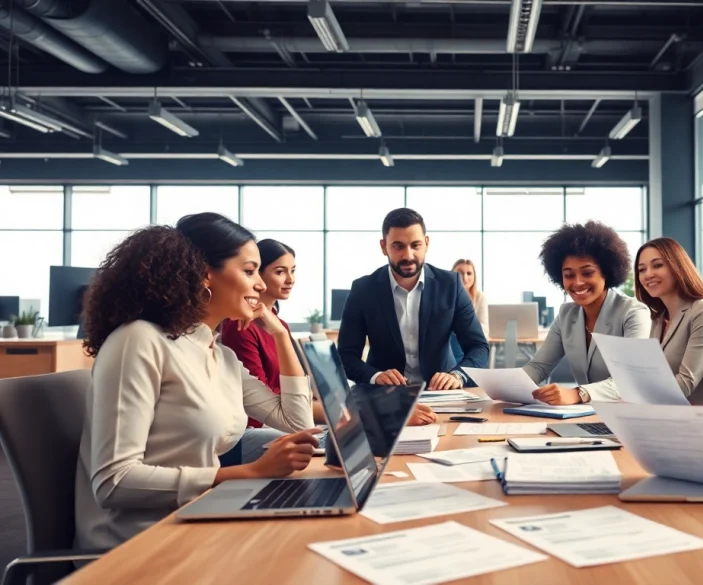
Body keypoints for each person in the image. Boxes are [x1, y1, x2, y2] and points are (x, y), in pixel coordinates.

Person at [75, 213, 319, 551]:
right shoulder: (140, 341)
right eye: (249, 271)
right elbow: (114, 482)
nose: (261, 285)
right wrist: (248, 473)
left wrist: (279, 336)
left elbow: (298, 423)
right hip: (139, 544)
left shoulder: (220, 356)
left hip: (199, 520)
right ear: (205, 273)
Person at [339, 208, 489, 391]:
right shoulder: (363, 290)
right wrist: (375, 376)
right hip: (386, 395)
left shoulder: (451, 285)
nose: (408, 255)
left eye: (415, 245)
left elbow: (479, 347)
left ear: (426, 243)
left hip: (441, 393)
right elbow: (346, 356)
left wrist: (457, 376)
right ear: (383, 246)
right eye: (398, 246)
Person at [219, 239, 329, 465]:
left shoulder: (279, 325)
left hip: (287, 420)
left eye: (293, 271)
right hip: (260, 427)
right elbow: (265, 398)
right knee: (319, 443)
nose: (290, 279)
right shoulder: (239, 327)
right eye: (280, 272)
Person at [524, 221, 651, 404]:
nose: (577, 283)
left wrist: (578, 393)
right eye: (569, 275)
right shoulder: (567, 315)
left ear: (606, 273)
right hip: (587, 416)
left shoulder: (633, 312)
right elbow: (539, 366)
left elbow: (631, 379)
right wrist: (507, 387)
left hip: (630, 415)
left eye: (587, 273)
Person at [633, 237, 703, 406]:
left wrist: (634, 394)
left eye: (658, 265)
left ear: (678, 267)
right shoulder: (659, 319)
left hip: (697, 420)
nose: (648, 274)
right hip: (659, 414)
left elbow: (685, 385)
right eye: (642, 269)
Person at [449, 258, 489, 364]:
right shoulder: (444, 296)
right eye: (460, 273)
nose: (465, 277)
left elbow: (484, 327)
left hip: (470, 341)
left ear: (474, 276)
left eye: (469, 273)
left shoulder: (480, 297)